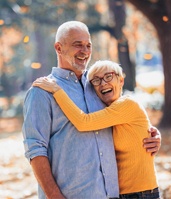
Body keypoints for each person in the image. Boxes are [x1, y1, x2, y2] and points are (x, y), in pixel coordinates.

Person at [22, 21, 161, 199]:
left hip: (114, 195)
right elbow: (35, 150)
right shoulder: (41, 92)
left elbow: (124, 120)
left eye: (88, 45)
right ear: (58, 47)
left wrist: (151, 136)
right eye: (77, 45)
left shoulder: (99, 85)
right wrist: (55, 196)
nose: (85, 51)